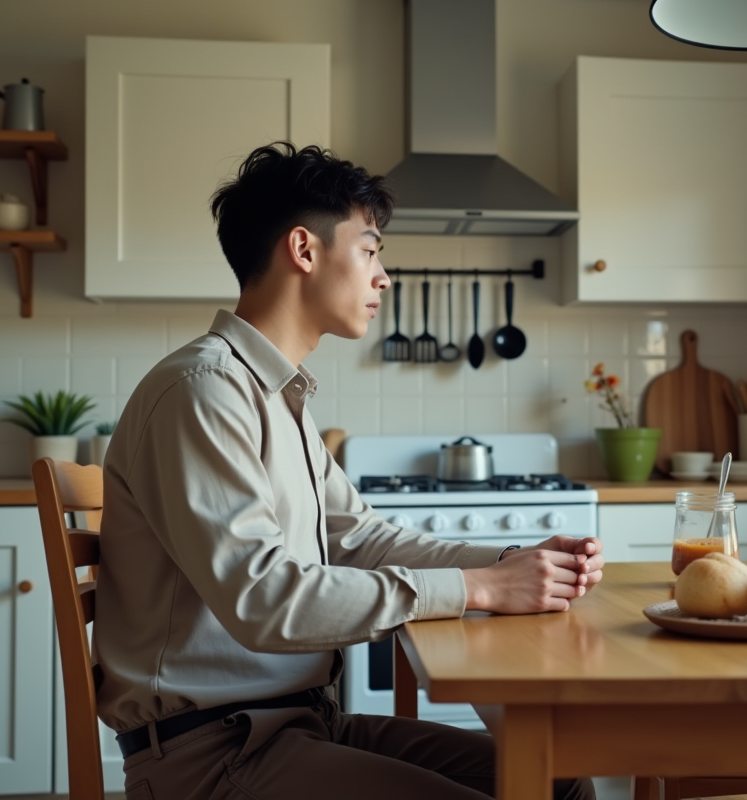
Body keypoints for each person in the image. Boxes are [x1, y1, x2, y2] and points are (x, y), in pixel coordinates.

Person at [94, 142, 603, 800]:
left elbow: (364, 539)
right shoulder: (203, 392)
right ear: (304, 250)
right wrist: (477, 589)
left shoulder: (277, 398)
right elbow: (263, 601)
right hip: (214, 753)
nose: (382, 276)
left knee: (558, 781)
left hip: (301, 725)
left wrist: (511, 560)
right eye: (369, 249)